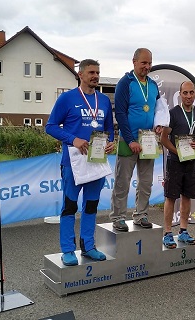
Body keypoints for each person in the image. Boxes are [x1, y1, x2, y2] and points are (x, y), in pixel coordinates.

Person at [46, 59, 115, 266]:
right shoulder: (67, 99)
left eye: (98, 72)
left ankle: (88, 247)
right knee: (69, 206)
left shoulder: (103, 100)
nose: (95, 76)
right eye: (91, 72)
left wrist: (111, 142)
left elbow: (109, 128)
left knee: (91, 205)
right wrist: (73, 139)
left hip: (96, 161)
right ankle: (68, 249)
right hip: (73, 163)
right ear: (81, 75)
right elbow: (50, 127)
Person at [110, 48, 165, 231]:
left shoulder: (153, 85)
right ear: (134, 62)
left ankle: (141, 215)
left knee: (146, 182)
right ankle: (118, 217)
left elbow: (157, 110)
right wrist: (130, 139)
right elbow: (120, 113)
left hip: (148, 141)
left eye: (149, 63)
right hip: (128, 141)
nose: (147, 67)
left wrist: (158, 125)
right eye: (143, 63)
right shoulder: (125, 83)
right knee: (122, 181)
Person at [160, 81, 195, 248]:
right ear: (180, 94)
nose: (188, 96)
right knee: (171, 197)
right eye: (185, 93)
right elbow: (164, 139)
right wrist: (177, 153)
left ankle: (183, 231)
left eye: (191, 93)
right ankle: (167, 233)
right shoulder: (172, 113)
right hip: (175, 162)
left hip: (192, 161)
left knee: (187, 196)